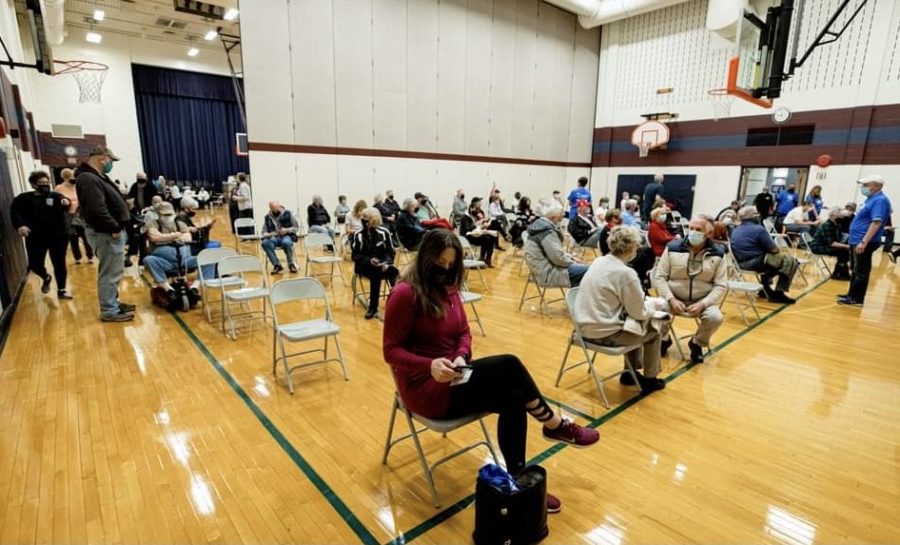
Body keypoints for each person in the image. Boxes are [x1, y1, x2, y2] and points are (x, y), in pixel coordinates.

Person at [383, 229, 599, 513]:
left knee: (513, 397)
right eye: (440, 263)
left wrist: (461, 357)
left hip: (455, 377)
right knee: (508, 364)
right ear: (426, 259)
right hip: (424, 387)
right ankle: (553, 424)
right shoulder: (404, 294)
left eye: (451, 264)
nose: (446, 270)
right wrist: (430, 365)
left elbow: (463, 333)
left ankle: (519, 483)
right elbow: (390, 351)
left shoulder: (449, 289)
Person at [572, 226, 667, 392]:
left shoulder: (598, 261)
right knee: (652, 331)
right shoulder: (626, 273)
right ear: (631, 248)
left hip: (581, 329)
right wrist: (653, 306)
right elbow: (639, 312)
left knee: (635, 325)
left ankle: (630, 372)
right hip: (604, 333)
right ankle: (650, 378)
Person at [652, 218, 727, 364]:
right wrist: (671, 299)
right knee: (656, 311)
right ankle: (664, 339)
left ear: (709, 233)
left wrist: (703, 304)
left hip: (702, 300)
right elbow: (660, 277)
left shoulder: (718, 253)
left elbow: (721, 285)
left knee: (715, 317)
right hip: (672, 297)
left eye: (698, 230)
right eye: (691, 228)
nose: (693, 232)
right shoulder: (673, 247)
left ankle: (697, 343)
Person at [76, 146, 136, 322]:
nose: (111, 164)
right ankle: (109, 310)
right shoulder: (88, 178)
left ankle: (114, 303)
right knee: (110, 273)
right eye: (111, 161)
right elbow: (96, 209)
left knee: (114, 271)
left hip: (109, 232)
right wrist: (114, 228)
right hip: (106, 233)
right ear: (102, 158)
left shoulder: (97, 177)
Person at [11, 171, 73, 300]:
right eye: (41, 183)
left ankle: (61, 290)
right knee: (34, 264)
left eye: (46, 183)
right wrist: (20, 225)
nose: (45, 185)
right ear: (34, 184)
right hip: (36, 236)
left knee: (59, 262)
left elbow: (65, 202)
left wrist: (66, 202)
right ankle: (46, 277)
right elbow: (15, 213)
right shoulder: (23, 198)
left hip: (58, 234)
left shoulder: (55, 196)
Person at [838, 175, 892, 306]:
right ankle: (851, 294)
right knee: (855, 268)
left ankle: (857, 299)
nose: (863, 188)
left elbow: (876, 222)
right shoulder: (870, 199)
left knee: (861, 270)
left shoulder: (880, 200)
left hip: (863, 241)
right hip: (855, 239)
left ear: (877, 186)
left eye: (866, 185)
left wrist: (864, 241)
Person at [730, 206, 798, 304]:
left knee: (777, 263)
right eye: (756, 213)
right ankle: (779, 293)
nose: (758, 215)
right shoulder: (759, 229)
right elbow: (774, 250)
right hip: (755, 262)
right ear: (750, 217)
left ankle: (765, 288)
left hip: (739, 263)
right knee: (791, 261)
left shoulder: (736, 229)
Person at [524, 199, 588, 288]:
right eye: (559, 219)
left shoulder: (540, 226)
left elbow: (556, 253)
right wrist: (573, 262)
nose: (561, 221)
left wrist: (571, 258)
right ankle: (578, 299)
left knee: (587, 273)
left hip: (544, 269)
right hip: (548, 273)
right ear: (553, 217)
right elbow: (557, 258)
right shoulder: (546, 232)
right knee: (590, 272)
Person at [351, 208, 399, 319]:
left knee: (393, 272)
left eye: (366, 219)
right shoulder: (358, 234)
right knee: (376, 273)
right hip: (364, 266)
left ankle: (397, 301)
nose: (363, 220)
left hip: (382, 265)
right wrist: (369, 260)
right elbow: (355, 256)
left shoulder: (384, 232)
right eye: (362, 218)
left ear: (373, 220)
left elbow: (390, 252)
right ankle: (373, 307)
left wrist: (386, 262)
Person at [143, 202, 196, 292]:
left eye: (169, 214)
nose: (167, 217)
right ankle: (167, 288)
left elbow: (188, 237)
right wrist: (174, 236)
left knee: (207, 257)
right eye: (164, 214)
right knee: (148, 260)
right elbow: (154, 237)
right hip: (166, 263)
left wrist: (164, 238)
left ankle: (196, 286)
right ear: (158, 214)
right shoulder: (153, 224)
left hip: (185, 261)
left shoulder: (180, 224)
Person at [55, 168, 94, 265]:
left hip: (80, 214)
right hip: (68, 216)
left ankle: (90, 256)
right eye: (70, 177)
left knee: (86, 236)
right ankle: (77, 257)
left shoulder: (78, 186)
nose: (72, 179)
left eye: (73, 177)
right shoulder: (59, 188)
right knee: (73, 238)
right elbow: (56, 201)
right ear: (65, 178)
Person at [809, 208, 851, 280]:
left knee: (844, 252)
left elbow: (837, 239)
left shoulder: (835, 225)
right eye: (840, 216)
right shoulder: (827, 225)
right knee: (843, 252)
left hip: (825, 245)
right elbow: (831, 243)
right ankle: (839, 273)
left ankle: (838, 273)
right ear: (834, 216)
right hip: (818, 247)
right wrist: (847, 246)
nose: (842, 218)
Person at [459, 197, 498, 267]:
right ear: (471, 208)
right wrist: (476, 224)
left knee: (491, 238)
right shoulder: (464, 217)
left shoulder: (475, 215)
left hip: (475, 234)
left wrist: (483, 226)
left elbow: (477, 227)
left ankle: (487, 259)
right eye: (477, 208)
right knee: (486, 239)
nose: (478, 210)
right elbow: (467, 230)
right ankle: (482, 259)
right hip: (467, 237)